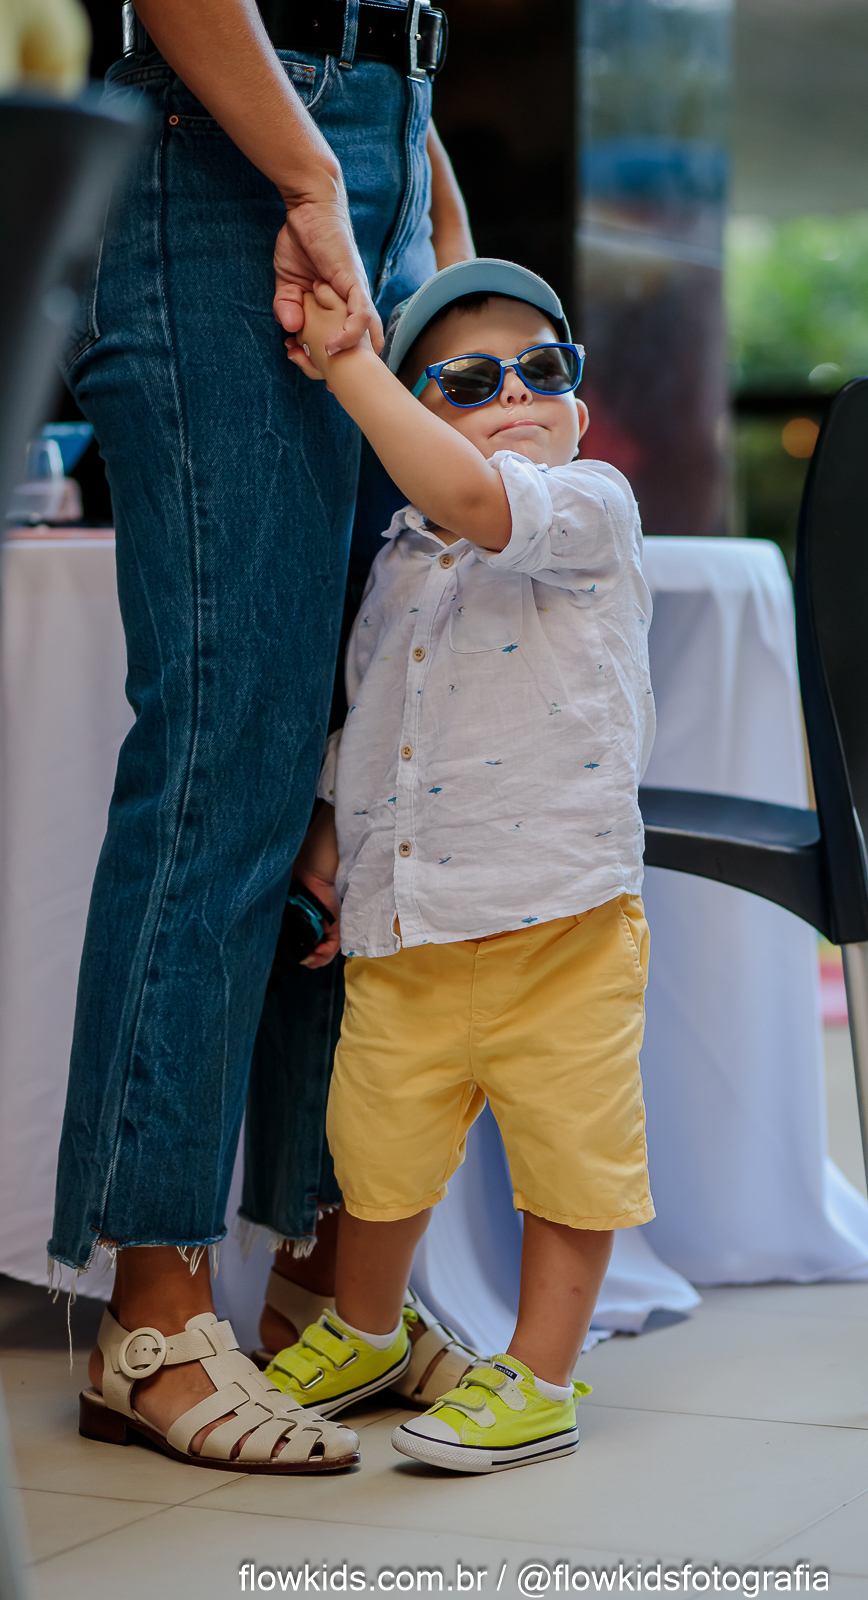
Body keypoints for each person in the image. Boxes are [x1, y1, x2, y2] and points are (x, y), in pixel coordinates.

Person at [52, 0, 474, 1474]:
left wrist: (429, 209)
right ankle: (152, 1320)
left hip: (379, 131)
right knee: (230, 756)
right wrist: (313, 175)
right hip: (230, 157)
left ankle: (325, 1283)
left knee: (368, 769)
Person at [263, 259, 657, 1473]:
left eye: (543, 368)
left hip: (562, 924)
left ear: (577, 404)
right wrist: (333, 838)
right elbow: (375, 713)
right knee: (374, 1149)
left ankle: (539, 1372)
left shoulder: (587, 506)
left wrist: (348, 364)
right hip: (412, 924)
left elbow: (482, 499)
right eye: (472, 382)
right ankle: (367, 1329)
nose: (517, 393)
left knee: (570, 1155)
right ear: (413, 420)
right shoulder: (398, 557)